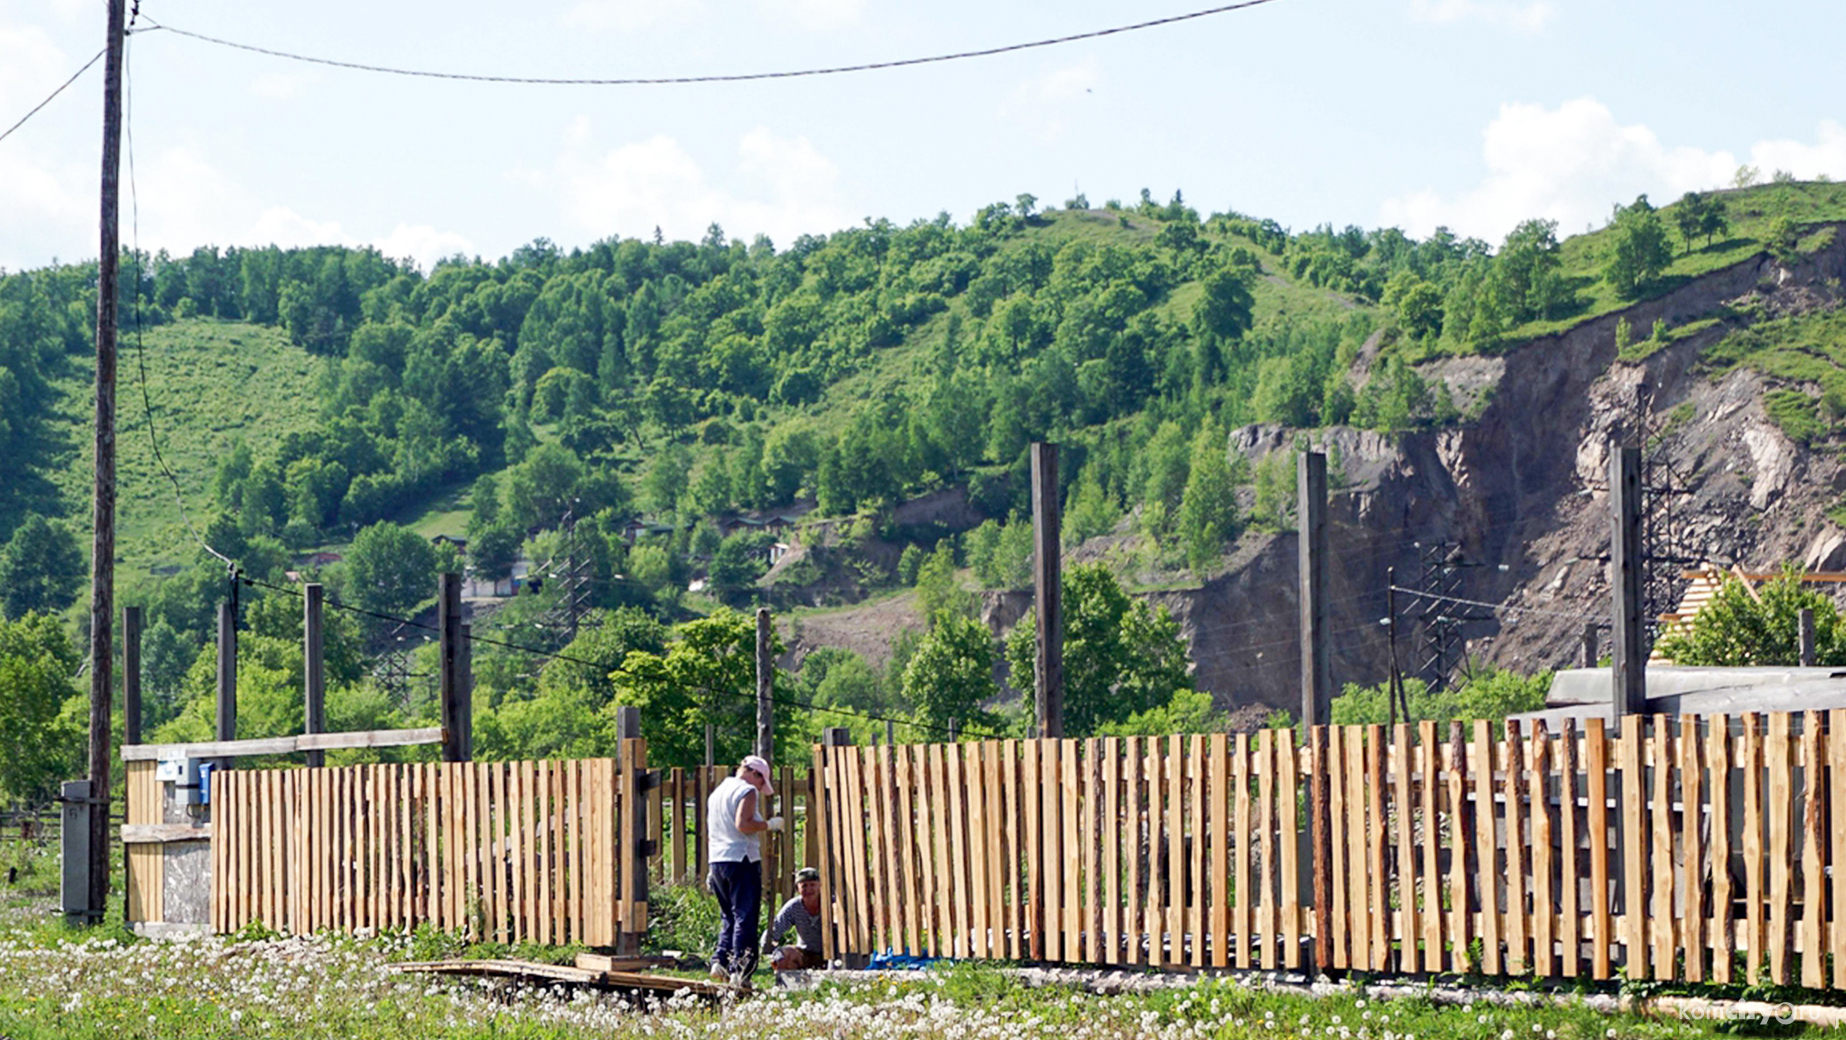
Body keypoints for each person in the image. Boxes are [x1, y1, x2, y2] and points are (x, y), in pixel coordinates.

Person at [705, 753, 783, 983]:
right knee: (745, 916)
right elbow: (743, 824)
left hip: (718, 859)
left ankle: (720, 960)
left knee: (728, 915)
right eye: (761, 781)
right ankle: (741, 970)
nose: (760, 788)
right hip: (741, 858)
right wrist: (768, 825)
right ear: (753, 773)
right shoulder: (746, 791)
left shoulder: (718, 792)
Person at [762, 867, 826, 971]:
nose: (808, 890)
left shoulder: (830, 904)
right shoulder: (794, 906)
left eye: (812, 885)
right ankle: (786, 984)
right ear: (797, 889)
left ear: (820, 886)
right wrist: (770, 950)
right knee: (785, 956)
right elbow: (775, 929)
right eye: (804, 886)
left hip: (832, 955)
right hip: (805, 953)